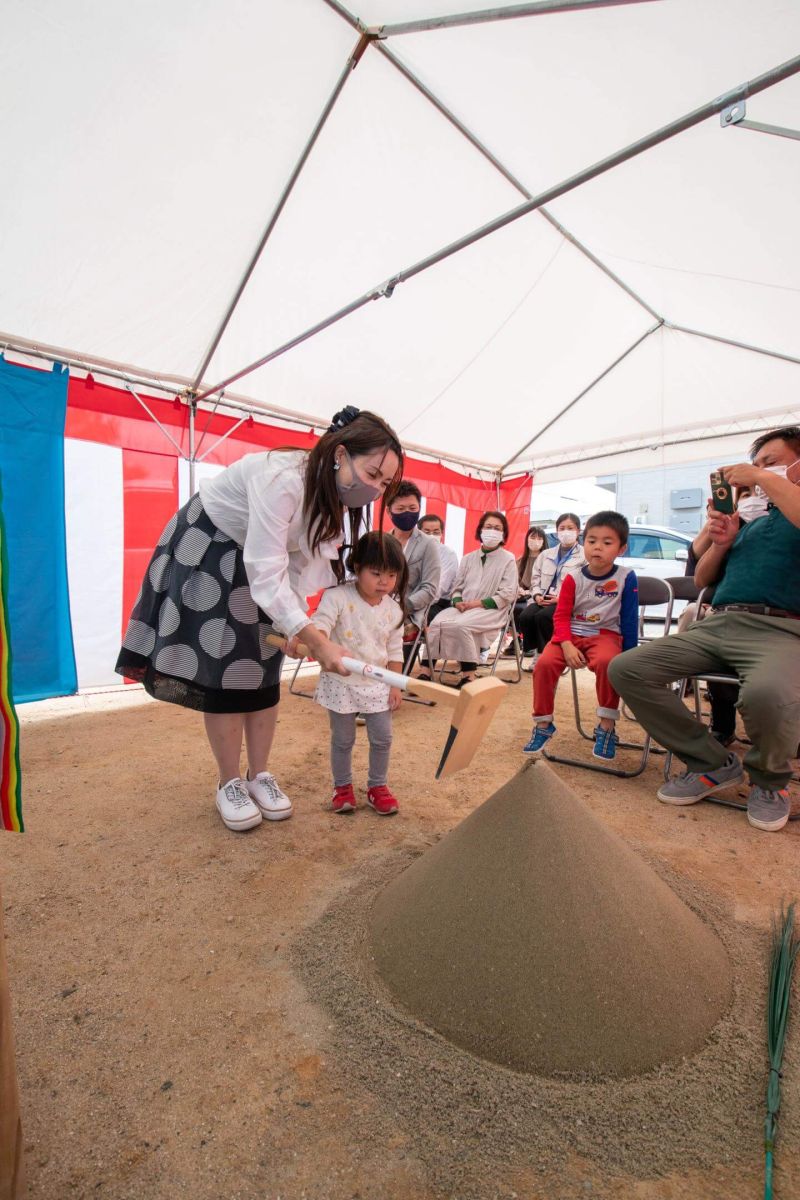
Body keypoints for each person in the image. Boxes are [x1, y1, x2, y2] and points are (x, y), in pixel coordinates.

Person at [115, 406, 403, 832]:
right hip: (214, 549)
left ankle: (260, 775)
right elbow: (266, 572)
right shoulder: (283, 479)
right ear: (341, 454)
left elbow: (297, 566)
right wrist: (318, 641)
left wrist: (296, 628)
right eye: (374, 473)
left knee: (263, 667)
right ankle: (229, 781)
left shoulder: (331, 495)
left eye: (384, 482)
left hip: (259, 565)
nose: (377, 488)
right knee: (226, 670)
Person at [609, 425, 800, 833]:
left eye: (772, 463)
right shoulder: (751, 518)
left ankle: (770, 783)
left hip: (782, 630)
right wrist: (724, 541)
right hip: (720, 621)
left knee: (768, 693)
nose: (761, 473)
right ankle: (713, 762)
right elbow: (701, 581)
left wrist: (760, 478)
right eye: (757, 464)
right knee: (628, 669)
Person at [522, 511, 638, 761]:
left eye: (607, 543)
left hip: (605, 635)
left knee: (609, 664)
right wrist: (565, 644)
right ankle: (543, 725)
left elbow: (629, 621)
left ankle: (606, 726)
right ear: (583, 543)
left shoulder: (626, 577)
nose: (598, 547)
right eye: (592, 540)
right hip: (569, 635)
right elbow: (560, 616)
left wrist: (629, 657)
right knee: (543, 664)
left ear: (621, 548)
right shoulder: (573, 577)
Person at [311, 532, 406, 816]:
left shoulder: (394, 608)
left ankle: (378, 787)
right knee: (343, 739)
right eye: (376, 573)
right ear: (357, 566)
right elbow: (320, 627)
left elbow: (395, 650)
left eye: (391, 575)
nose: (384, 582)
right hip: (341, 681)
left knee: (383, 738)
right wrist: (320, 643)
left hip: (377, 683)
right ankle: (342, 788)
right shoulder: (337, 596)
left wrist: (395, 685)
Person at [423, 511, 518, 686]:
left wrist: (477, 603)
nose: (492, 531)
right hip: (464, 607)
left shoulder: (508, 559)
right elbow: (456, 587)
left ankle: (469, 676)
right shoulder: (468, 558)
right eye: (488, 527)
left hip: (491, 609)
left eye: (497, 528)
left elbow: (508, 593)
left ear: (503, 533)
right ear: (480, 530)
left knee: (461, 625)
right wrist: (457, 601)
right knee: (436, 623)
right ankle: (426, 672)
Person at [516, 513, 585, 670]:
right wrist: (537, 594)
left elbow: (584, 584)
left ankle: (547, 657)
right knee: (525, 616)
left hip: (565, 600)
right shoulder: (546, 554)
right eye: (562, 528)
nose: (566, 531)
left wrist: (561, 599)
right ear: (556, 530)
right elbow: (535, 578)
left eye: (570, 528)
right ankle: (541, 651)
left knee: (543, 617)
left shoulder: (583, 556)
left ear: (578, 531)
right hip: (543, 597)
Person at [386, 481, 440, 654]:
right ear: (389, 511)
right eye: (401, 509)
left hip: (410, 612)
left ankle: (392, 677)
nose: (407, 513)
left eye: (412, 508)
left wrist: (403, 605)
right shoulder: (382, 541)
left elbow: (430, 588)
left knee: (384, 631)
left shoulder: (428, 544)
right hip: (379, 605)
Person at [502, 525, 548, 656]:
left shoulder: (547, 560)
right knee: (509, 607)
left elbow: (544, 584)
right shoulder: (519, 561)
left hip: (538, 596)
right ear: (527, 539)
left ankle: (530, 643)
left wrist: (530, 593)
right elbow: (512, 581)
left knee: (522, 610)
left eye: (539, 538)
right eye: (533, 537)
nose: (536, 540)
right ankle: (516, 641)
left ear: (544, 541)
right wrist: (519, 590)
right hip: (520, 597)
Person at [418, 512, 459, 621]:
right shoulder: (414, 551)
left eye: (436, 532)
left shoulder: (448, 555)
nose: (431, 535)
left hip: (438, 603)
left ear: (442, 534)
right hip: (415, 598)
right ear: (418, 533)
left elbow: (440, 588)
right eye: (427, 532)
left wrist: (415, 604)